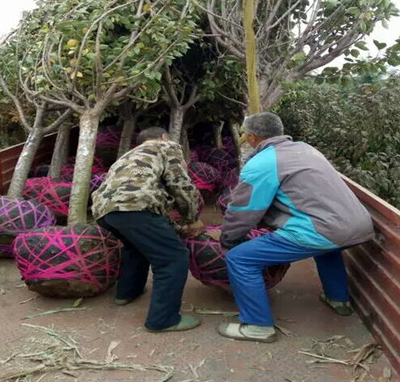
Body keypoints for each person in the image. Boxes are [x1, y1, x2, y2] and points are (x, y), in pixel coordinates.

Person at [210, 112, 374, 343]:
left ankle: (258, 326)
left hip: (323, 229)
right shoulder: (307, 149)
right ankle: (338, 300)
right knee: (327, 248)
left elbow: (244, 210)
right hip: (359, 224)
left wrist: (228, 240)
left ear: (252, 137)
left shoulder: (262, 162)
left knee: (240, 258)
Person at [91, 126, 203, 332]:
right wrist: (192, 218)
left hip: (104, 210)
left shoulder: (129, 155)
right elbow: (180, 183)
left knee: (136, 247)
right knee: (173, 258)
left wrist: (176, 228)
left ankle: (126, 293)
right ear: (163, 137)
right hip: (134, 206)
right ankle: (164, 320)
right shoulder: (165, 146)